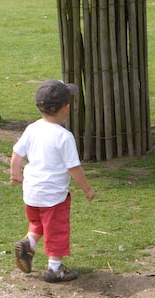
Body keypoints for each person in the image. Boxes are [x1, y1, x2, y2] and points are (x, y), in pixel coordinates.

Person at [10, 80, 96, 283]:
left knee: (37, 222)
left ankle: (29, 244)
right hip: (54, 197)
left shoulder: (32, 129)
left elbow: (17, 154)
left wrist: (15, 174)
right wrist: (87, 189)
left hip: (31, 193)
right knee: (57, 230)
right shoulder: (64, 136)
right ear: (66, 108)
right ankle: (55, 269)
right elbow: (73, 168)